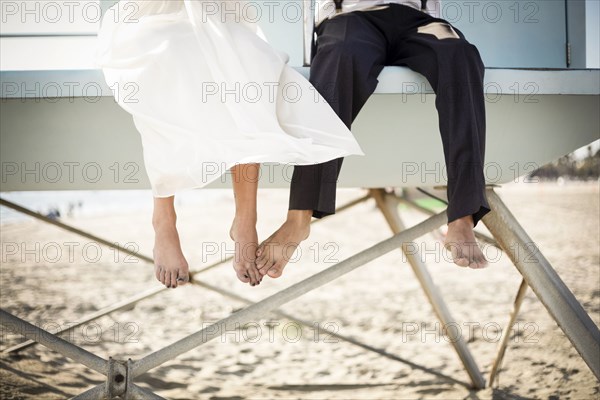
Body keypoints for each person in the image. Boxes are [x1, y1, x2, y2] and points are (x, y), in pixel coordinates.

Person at [96, 0, 363, 288]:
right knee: (168, 57)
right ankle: (164, 218)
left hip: (220, 13)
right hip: (149, 14)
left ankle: (246, 220)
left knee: (246, 63)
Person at [255, 0, 490, 277]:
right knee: (340, 54)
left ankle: (462, 214)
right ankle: (299, 216)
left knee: (460, 54)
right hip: (352, 15)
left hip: (414, 17)